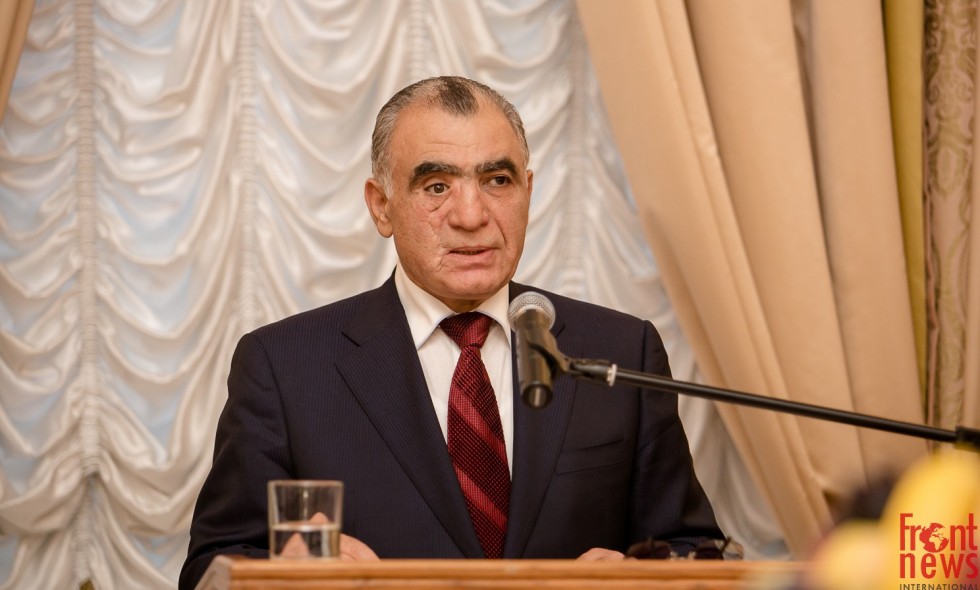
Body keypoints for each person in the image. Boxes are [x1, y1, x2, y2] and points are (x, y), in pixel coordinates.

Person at [179, 76, 723, 589]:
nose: (471, 215)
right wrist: (285, 578)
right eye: (436, 185)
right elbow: (212, 567)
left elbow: (692, 549)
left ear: (528, 191)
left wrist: (641, 577)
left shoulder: (620, 351)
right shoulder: (285, 367)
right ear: (381, 206)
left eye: (497, 181)